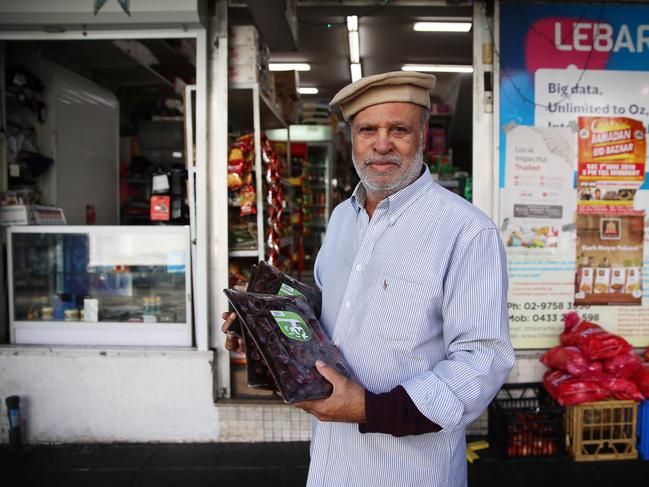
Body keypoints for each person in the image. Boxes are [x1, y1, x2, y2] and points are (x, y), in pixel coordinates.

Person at [222, 71, 515, 487]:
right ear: (351, 139)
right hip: (329, 461)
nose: (381, 144)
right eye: (367, 130)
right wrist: (262, 329)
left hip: (411, 470)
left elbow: (482, 360)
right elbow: (330, 310)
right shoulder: (343, 216)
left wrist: (370, 408)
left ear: (423, 133)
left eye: (398, 129)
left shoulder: (466, 231)